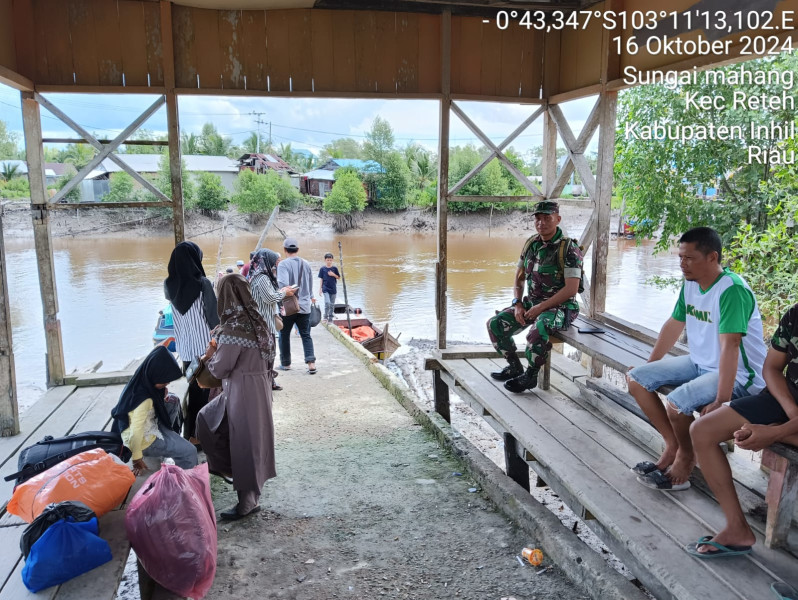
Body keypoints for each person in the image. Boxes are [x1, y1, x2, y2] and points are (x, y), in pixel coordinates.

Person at [628, 227, 767, 491]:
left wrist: (721, 400)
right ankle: (673, 445)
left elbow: (731, 347)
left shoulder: (732, 290)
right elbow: (674, 324)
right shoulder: (690, 284)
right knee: (636, 379)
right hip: (700, 363)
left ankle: (686, 457)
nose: (682, 264)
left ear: (712, 257)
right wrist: (651, 364)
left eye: (689, 258)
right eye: (680, 257)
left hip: (739, 375)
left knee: (677, 404)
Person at [686, 302, 798, 557]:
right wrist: (792, 412)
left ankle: (784, 431)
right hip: (786, 398)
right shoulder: (796, 313)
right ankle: (737, 527)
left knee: (778, 432)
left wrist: (776, 433)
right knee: (702, 431)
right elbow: (771, 368)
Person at [196, 274, 276, 520]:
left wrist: (210, 353)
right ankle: (239, 480)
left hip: (242, 390)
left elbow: (220, 369)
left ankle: (247, 502)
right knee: (250, 439)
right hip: (260, 386)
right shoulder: (259, 321)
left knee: (244, 442)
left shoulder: (233, 328)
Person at [486, 200, 583, 393]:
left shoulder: (569, 249)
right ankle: (514, 367)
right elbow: (519, 277)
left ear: (558, 219)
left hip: (562, 308)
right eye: (538, 218)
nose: (541, 223)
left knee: (539, 327)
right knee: (495, 324)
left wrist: (541, 308)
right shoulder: (531, 243)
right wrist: (517, 303)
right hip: (532, 303)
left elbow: (571, 290)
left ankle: (530, 376)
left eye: (547, 218)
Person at [111, 345, 198, 475]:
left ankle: (171, 438)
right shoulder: (144, 401)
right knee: (189, 451)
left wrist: (161, 395)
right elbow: (136, 431)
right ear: (155, 375)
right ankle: (187, 484)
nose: (167, 383)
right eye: (165, 380)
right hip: (143, 442)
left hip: (147, 425)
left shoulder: (141, 380)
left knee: (173, 400)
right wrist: (136, 457)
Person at [164, 241, 219, 443]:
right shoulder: (203, 283)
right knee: (203, 394)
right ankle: (197, 436)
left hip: (185, 349)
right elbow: (214, 318)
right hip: (205, 349)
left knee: (193, 392)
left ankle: (190, 435)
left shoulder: (168, 285)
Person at [250, 248, 296, 391]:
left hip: (264, 322)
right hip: (263, 323)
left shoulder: (260, 275)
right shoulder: (262, 278)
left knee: (268, 353)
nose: (276, 265)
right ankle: (266, 383)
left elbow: (269, 294)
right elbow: (269, 298)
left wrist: (282, 291)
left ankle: (269, 381)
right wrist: (284, 294)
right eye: (275, 262)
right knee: (267, 354)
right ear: (267, 261)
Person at [276, 237, 317, 374]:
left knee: (284, 334)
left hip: (289, 306)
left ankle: (286, 364)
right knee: (306, 334)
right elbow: (310, 285)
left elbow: (284, 286)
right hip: (305, 305)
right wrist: (310, 297)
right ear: (298, 250)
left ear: (284, 250)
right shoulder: (306, 264)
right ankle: (311, 363)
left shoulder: (283, 264)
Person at [318, 252, 340, 324]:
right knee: (327, 303)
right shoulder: (322, 269)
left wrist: (333, 274)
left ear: (332, 260)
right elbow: (321, 279)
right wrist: (320, 289)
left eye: (330, 260)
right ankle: (325, 317)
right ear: (325, 260)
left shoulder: (334, 268)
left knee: (332, 304)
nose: (329, 261)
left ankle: (330, 318)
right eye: (328, 260)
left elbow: (338, 277)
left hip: (333, 289)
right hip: (325, 288)